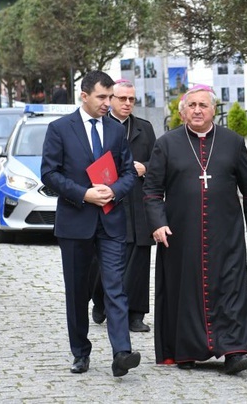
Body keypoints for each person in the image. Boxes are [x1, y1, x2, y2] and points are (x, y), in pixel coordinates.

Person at [143, 84, 247, 375]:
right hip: (181, 233)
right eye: (192, 105)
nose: (197, 110)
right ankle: (187, 349)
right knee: (185, 290)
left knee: (231, 288)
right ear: (183, 111)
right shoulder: (167, 143)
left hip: (227, 232)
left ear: (213, 110)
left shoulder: (232, 142)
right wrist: (158, 223)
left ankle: (234, 350)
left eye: (204, 105)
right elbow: (151, 191)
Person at [41, 70, 141, 377]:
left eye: (111, 97)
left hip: (111, 222)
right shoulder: (59, 129)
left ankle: (122, 352)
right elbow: (49, 174)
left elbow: (128, 173)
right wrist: (84, 194)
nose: (108, 103)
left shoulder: (114, 131)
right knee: (77, 291)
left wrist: (115, 190)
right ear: (83, 95)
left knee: (115, 287)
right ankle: (80, 352)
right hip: (75, 221)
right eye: (102, 97)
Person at [90, 80, 157, 332]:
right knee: (105, 258)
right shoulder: (99, 128)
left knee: (139, 257)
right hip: (108, 201)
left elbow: (158, 161)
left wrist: (145, 167)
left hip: (138, 201)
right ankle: (100, 299)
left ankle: (136, 314)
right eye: (122, 99)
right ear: (110, 99)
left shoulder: (144, 128)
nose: (127, 103)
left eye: (131, 99)